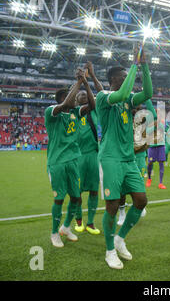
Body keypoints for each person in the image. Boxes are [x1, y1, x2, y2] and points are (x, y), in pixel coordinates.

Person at [96, 44, 152, 269]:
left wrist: (145, 66)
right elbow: (121, 93)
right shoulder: (104, 96)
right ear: (113, 80)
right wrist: (134, 65)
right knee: (112, 206)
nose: (127, 81)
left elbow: (147, 93)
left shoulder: (128, 101)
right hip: (110, 159)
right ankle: (109, 251)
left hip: (128, 159)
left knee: (141, 200)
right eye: (122, 77)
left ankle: (119, 239)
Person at [46, 68, 95, 248]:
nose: (76, 100)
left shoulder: (76, 113)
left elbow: (93, 105)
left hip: (74, 161)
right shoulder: (51, 112)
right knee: (59, 199)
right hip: (57, 163)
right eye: (73, 98)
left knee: (76, 198)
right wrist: (79, 82)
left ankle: (66, 227)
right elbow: (67, 103)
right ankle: (54, 233)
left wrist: (86, 82)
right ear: (62, 99)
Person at [74, 62, 104, 235]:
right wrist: (80, 83)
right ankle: (79, 221)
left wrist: (87, 82)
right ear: (76, 99)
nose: (84, 96)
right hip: (78, 156)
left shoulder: (94, 111)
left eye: (86, 95)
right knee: (76, 192)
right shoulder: (72, 113)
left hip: (93, 155)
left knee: (93, 190)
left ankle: (91, 222)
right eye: (81, 95)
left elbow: (96, 100)